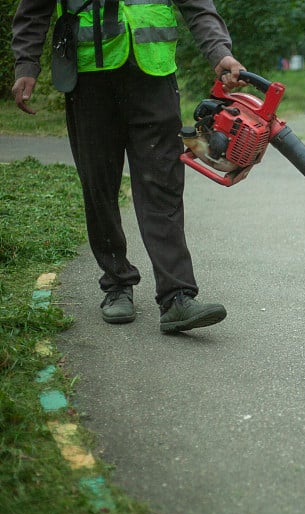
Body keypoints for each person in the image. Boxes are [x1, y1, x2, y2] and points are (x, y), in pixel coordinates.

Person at [11, 0, 245, 333]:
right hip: (89, 79)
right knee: (99, 185)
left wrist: (220, 52)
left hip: (154, 75)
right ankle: (117, 284)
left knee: (162, 185)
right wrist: (26, 66)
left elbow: (198, 6)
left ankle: (177, 296)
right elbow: (33, 10)